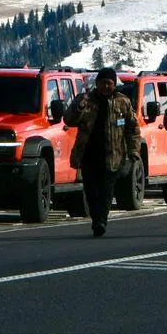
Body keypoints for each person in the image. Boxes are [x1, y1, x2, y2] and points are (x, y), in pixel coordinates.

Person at [64, 67, 141, 237]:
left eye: (110, 83)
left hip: (113, 154)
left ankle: (101, 221)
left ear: (115, 85)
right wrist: (78, 107)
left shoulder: (123, 102)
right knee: (91, 190)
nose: (106, 86)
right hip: (89, 153)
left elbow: (133, 129)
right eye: (103, 83)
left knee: (107, 189)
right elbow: (69, 120)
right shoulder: (85, 99)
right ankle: (95, 218)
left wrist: (134, 150)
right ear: (97, 83)